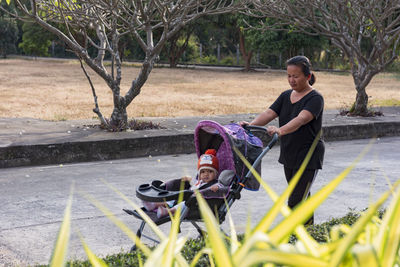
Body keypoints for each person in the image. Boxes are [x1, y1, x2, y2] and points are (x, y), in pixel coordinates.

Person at [240, 55, 324, 225]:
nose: (291, 80)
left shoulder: (315, 98)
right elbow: (269, 113)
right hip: (289, 153)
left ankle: (294, 232)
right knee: (301, 195)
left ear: (307, 76)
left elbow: (301, 119)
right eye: (289, 76)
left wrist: (280, 130)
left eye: (296, 76)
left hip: (308, 155)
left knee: (295, 199)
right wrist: (250, 125)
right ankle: (309, 231)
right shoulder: (286, 95)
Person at [142, 149, 232, 218]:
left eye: (210, 172)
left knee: (183, 203)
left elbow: (221, 187)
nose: (206, 174)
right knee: (174, 196)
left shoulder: (214, 183)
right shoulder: (198, 182)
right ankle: (155, 205)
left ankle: (169, 211)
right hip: (185, 197)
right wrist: (187, 180)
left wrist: (217, 187)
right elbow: (192, 185)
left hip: (193, 205)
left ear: (215, 174)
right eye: (203, 172)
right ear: (199, 174)